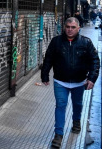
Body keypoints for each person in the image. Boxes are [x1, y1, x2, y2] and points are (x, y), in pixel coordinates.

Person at [41, 17, 100, 148]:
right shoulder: (56, 42)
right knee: (60, 106)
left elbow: (95, 61)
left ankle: (76, 121)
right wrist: (44, 75)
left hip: (79, 82)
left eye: (73, 27)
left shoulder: (86, 42)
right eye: (67, 27)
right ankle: (58, 134)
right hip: (60, 81)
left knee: (77, 104)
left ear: (78, 28)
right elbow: (48, 59)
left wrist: (92, 78)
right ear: (64, 27)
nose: (70, 30)